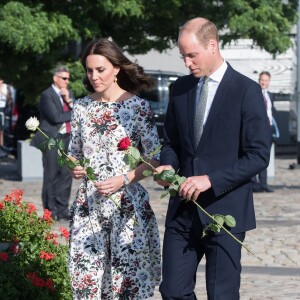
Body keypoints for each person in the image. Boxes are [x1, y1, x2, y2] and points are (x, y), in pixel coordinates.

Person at [155, 18, 272, 299]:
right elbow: (171, 142)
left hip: (226, 212)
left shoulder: (247, 91)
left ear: (212, 45)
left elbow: (258, 156)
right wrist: (167, 164)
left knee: (221, 295)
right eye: (182, 55)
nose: (186, 62)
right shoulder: (180, 89)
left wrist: (211, 179)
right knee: (172, 291)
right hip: (182, 211)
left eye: (191, 55)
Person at [67, 38, 161, 299]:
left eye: (100, 69)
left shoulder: (138, 107)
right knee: (86, 283)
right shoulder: (81, 107)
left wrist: (124, 178)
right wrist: (74, 167)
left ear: (117, 68)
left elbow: (154, 159)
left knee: (126, 285)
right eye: (89, 70)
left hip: (127, 205)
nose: (94, 76)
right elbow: (73, 154)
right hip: (89, 206)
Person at [31, 65, 74, 221]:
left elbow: (76, 114)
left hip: (67, 138)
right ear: (55, 78)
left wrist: (69, 100)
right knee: (51, 175)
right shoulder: (46, 95)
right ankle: (50, 211)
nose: (67, 82)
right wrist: (73, 111)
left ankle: (63, 209)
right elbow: (55, 117)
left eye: (68, 79)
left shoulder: (68, 94)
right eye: (64, 78)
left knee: (65, 175)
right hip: (51, 140)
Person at [251, 71, 276, 193]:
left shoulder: (271, 95)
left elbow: (271, 113)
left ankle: (263, 183)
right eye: (262, 80)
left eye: (266, 80)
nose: (263, 82)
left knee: (266, 157)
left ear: (269, 81)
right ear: (258, 80)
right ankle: (253, 183)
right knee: (255, 155)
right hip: (257, 129)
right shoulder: (254, 94)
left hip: (268, 129)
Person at [0, 78, 14, 148]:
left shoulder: (7, 87)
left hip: (4, 109)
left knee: (2, 128)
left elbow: (9, 98)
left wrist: (2, 92)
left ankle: (2, 145)